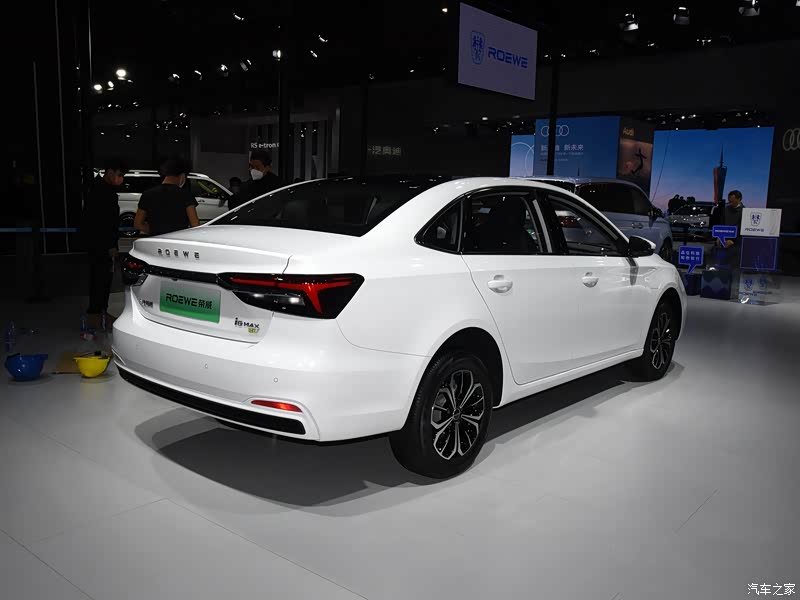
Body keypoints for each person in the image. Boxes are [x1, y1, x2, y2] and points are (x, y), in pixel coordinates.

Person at [80, 159, 127, 326]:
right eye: (119, 174)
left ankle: (100, 312)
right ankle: (96, 314)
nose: (121, 179)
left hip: (97, 242)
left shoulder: (100, 188)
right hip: (101, 244)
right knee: (101, 278)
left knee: (101, 278)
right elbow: (103, 222)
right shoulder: (102, 191)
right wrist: (111, 245)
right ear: (110, 172)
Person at [133, 158, 200, 236]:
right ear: (182, 175)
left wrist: (155, 231)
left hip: (156, 239)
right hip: (178, 240)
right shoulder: (186, 195)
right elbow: (195, 224)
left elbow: (138, 224)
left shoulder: (147, 194)